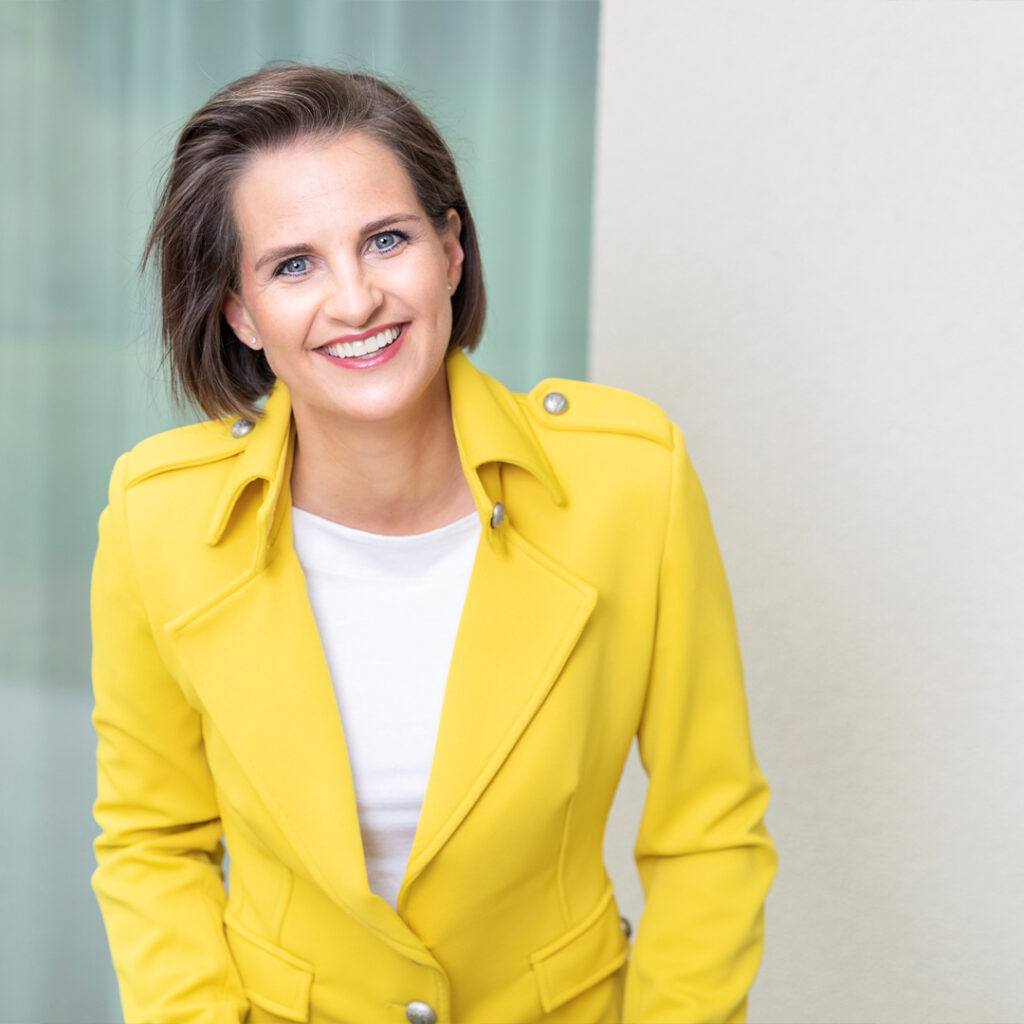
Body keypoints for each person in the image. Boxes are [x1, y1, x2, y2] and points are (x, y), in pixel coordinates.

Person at [91, 64, 776, 1024]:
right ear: (240, 312)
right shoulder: (156, 520)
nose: (355, 299)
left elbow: (709, 830)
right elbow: (152, 841)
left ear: (451, 251)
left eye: (387, 240)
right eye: (293, 265)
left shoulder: (631, 484)